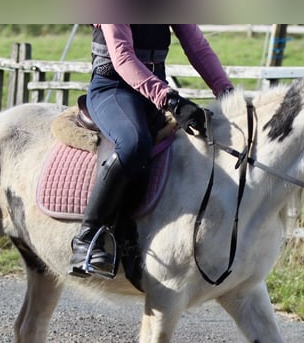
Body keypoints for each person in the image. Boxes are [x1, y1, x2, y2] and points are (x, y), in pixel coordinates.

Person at [69, 24, 235, 278]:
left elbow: (197, 47)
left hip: (152, 90)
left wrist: (227, 93)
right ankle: (87, 238)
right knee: (134, 144)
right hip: (113, 89)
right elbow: (123, 56)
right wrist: (170, 99)